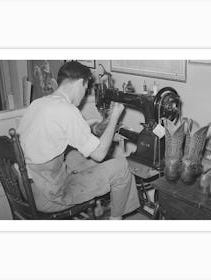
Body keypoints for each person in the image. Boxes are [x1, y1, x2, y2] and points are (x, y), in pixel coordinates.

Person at [17, 61, 140, 219]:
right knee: (122, 167)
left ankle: (102, 206)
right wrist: (115, 117)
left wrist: (91, 129)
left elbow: (58, 132)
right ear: (81, 83)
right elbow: (100, 154)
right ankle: (115, 221)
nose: (85, 94)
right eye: (86, 88)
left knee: (76, 157)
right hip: (48, 196)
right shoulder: (67, 110)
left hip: (28, 187)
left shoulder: (39, 103)